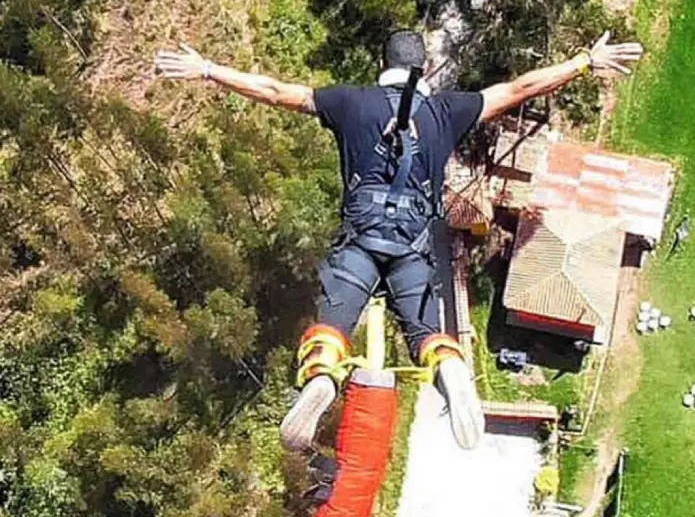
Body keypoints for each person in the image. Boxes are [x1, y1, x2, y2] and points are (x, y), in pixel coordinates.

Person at [153, 30, 643, 451]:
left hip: (360, 240)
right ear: (426, 67)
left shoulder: (347, 102)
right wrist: (584, 62)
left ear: (379, 64)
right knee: (427, 332)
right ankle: (447, 368)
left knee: (333, 324)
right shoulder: (449, 110)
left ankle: (323, 374)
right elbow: (519, 87)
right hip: (413, 242)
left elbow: (277, 91)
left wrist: (208, 69)